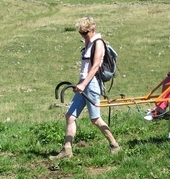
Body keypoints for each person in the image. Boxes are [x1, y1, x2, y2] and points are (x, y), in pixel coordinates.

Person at [51, 17, 120, 159]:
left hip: (92, 83)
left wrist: (83, 84)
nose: (83, 36)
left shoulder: (98, 43)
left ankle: (114, 145)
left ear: (92, 29)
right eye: (80, 33)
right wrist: (80, 82)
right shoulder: (88, 43)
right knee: (70, 116)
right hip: (84, 82)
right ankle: (67, 149)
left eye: (85, 33)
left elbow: (95, 67)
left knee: (95, 119)